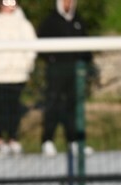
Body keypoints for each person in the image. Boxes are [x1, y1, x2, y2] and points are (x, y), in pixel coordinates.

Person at [0, 0, 37, 156]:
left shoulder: (25, 26)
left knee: (14, 106)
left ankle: (13, 137)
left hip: (18, 74)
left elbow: (32, 47)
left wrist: (26, 64)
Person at [38, 0, 93, 156]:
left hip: (75, 72)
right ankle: (47, 140)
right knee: (53, 104)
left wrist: (86, 62)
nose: (68, 4)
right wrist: (52, 59)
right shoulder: (50, 21)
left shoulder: (78, 21)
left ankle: (74, 141)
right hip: (56, 71)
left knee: (73, 107)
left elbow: (86, 46)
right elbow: (41, 44)